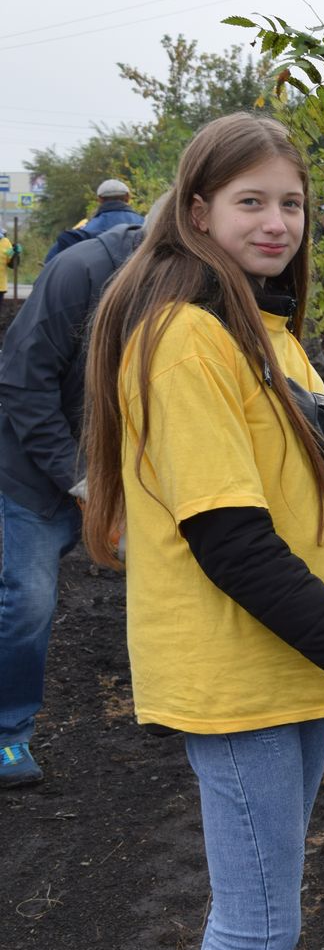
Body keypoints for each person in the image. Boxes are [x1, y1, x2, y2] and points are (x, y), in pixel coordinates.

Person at [80, 113, 324, 949]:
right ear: (197, 212)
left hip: (291, 662)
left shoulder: (268, 335)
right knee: (256, 927)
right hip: (238, 675)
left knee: (265, 917)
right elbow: (233, 545)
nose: (276, 223)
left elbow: (317, 519)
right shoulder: (185, 342)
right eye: (250, 201)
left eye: (291, 203)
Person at [0, 210, 149, 787]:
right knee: (29, 599)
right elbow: (21, 380)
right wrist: (81, 481)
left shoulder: (185, 284)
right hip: (37, 475)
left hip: (121, 471)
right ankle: (9, 735)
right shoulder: (79, 273)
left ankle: (176, 704)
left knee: (169, 579)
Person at [43, 179, 145, 265]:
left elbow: (52, 259)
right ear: (128, 197)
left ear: (99, 199)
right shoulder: (146, 224)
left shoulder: (84, 229)